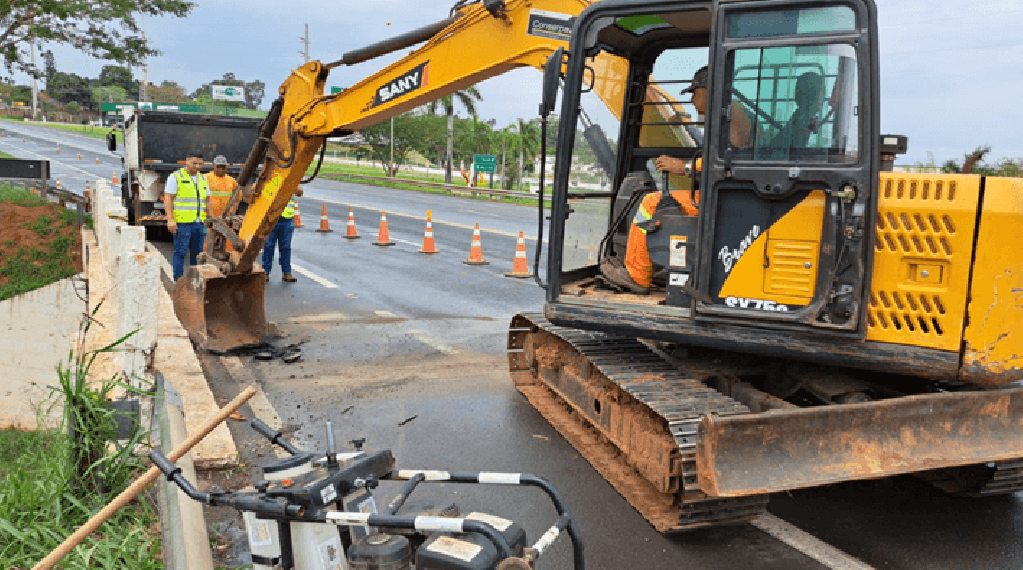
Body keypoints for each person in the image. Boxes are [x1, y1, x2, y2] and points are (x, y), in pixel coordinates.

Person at [602, 66, 753, 294]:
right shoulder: (730, 115)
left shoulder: (734, 118)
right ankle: (668, 261)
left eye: (695, 93)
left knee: (651, 203)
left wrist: (684, 167)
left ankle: (637, 275)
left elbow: (729, 162)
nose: (692, 100)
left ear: (708, 89)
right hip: (730, 195)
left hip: (728, 200)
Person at [165, 151, 209, 281]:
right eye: (194, 163)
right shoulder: (176, 177)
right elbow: (168, 198)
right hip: (182, 223)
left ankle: (194, 280)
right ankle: (178, 281)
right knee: (180, 253)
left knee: (197, 254)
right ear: (187, 161)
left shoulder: (203, 178)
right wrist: (170, 220)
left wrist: (210, 218)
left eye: (200, 164)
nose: (197, 166)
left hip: (199, 223)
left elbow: (208, 199)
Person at [262, 187, 303, 282]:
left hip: (287, 219)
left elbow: (300, 192)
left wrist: (292, 186)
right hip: (271, 218)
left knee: (286, 247)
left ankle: (287, 273)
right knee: (268, 246)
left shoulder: (291, 179)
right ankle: (265, 272)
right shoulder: (272, 178)